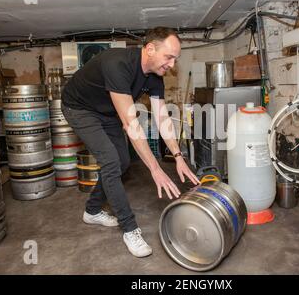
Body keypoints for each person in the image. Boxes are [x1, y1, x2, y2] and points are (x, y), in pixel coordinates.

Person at [61, 27, 200, 258]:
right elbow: (131, 124)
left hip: (106, 112)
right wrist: (155, 168)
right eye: (169, 57)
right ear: (150, 49)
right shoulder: (118, 65)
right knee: (111, 162)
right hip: (79, 108)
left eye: (176, 59)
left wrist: (178, 156)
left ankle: (92, 210)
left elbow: (162, 116)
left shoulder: (156, 76)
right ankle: (129, 228)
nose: (172, 65)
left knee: (123, 162)